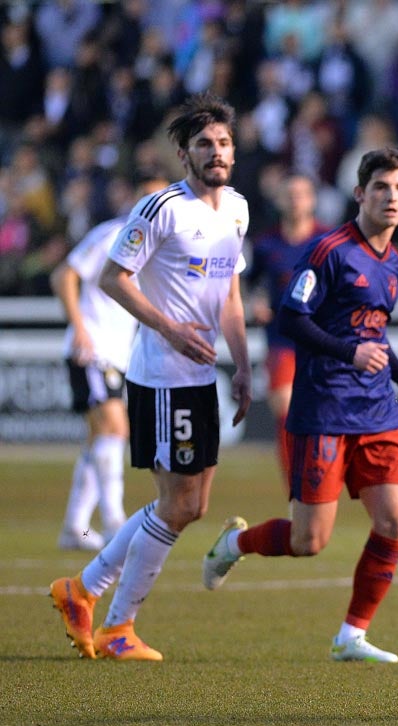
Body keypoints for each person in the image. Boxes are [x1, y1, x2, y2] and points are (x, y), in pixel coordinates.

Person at [202, 146, 398, 663]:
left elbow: (375, 335)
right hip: (326, 409)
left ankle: (351, 634)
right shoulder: (329, 250)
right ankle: (234, 545)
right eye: (382, 187)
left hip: (377, 409)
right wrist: (347, 352)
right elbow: (292, 318)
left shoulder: (396, 265)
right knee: (309, 540)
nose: (392, 197)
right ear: (360, 193)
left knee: (394, 519)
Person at [49, 93, 252, 661]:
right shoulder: (161, 208)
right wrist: (165, 326)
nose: (216, 152)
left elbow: (230, 294)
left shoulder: (235, 208)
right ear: (184, 152)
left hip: (202, 373)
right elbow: (113, 278)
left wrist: (242, 363)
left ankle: (82, 591)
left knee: (193, 503)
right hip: (161, 376)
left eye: (224, 143)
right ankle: (116, 625)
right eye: (205, 144)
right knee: (178, 502)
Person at [50, 175, 168, 551]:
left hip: (117, 353)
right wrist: (80, 327)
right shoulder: (112, 234)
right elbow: (64, 274)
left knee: (98, 437)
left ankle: (76, 528)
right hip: (93, 348)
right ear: (135, 201)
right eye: (148, 198)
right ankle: (115, 520)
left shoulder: (156, 249)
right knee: (115, 428)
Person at [247, 172, 326, 480]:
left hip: (320, 340)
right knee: (284, 405)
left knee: (317, 413)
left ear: (312, 200)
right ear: (279, 200)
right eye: (289, 194)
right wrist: (256, 302)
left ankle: (317, 478)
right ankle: (295, 484)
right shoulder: (266, 244)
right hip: (281, 338)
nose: (295, 200)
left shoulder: (327, 240)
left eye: (301, 194)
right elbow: (252, 286)